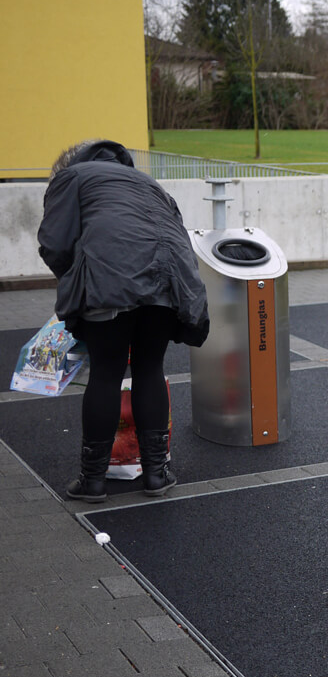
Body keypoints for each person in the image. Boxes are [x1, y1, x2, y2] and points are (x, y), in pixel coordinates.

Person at [38, 140, 210, 502]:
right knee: (149, 367)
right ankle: (157, 475)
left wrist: (76, 282)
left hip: (113, 276)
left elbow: (55, 243)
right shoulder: (146, 182)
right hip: (170, 280)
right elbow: (175, 229)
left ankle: (93, 481)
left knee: (106, 372)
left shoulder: (71, 177)